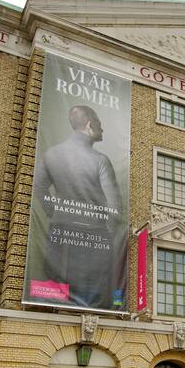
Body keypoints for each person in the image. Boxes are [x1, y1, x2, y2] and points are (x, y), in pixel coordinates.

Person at [30, 104, 126, 310]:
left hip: (59, 231)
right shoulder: (100, 160)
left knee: (58, 291)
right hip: (95, 234)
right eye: (100, 124)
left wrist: (53, 212)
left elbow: (38, 186)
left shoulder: (51, 154)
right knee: (94, 296)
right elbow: (114, 205)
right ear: (90, 125)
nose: (102, 129)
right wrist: (109, 229)